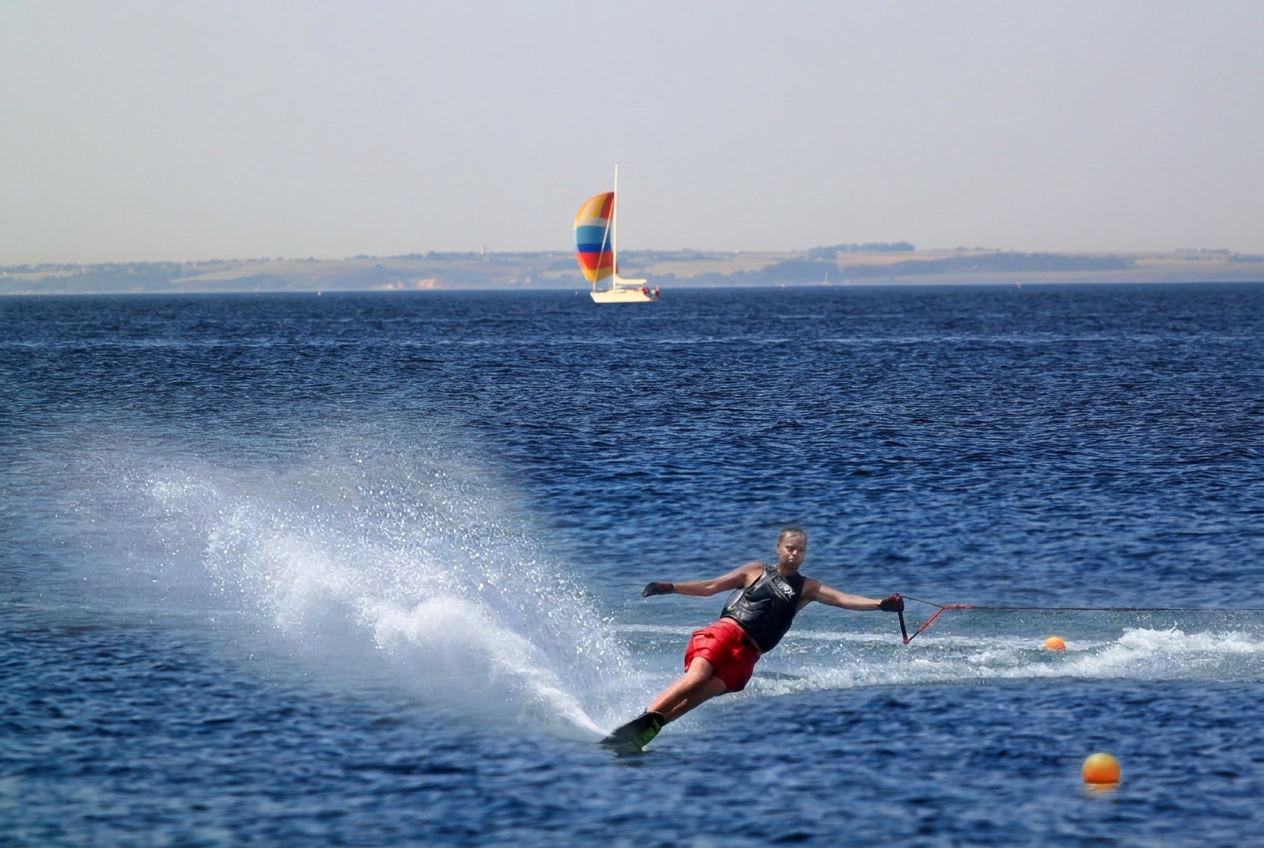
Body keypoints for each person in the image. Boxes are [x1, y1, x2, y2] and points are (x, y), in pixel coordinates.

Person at [603, 527, 903, 749]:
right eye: (789, 548)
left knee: (699, 695)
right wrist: (670, 587)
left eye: (800, 550)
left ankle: (646, 731)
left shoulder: (807, 588)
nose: (794, 554)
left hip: (748, 656)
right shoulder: (756, 570)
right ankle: (643, 719)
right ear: (778, 547)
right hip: (726, 633)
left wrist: (880, 604)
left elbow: (844, 599)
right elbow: (711, 586)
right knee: (695, 680)